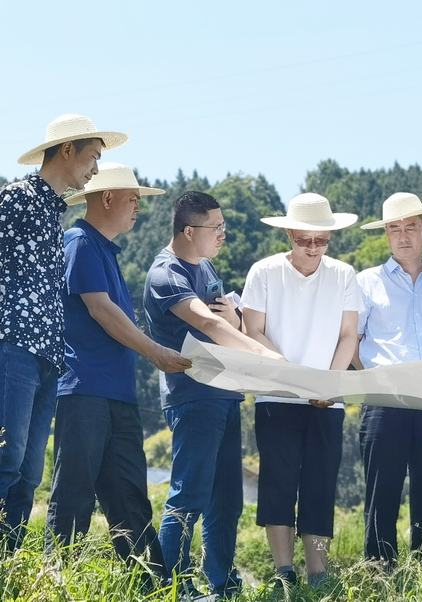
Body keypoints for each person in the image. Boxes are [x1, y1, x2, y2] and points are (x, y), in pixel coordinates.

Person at [45, 163, 190, 576]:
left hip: (117, 395)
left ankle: (151, 586)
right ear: (107, 198)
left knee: (129, 497)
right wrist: (155, 352)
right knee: (74, 493)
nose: (138, 207)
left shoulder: (104, 249)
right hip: (84, 390)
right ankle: (55, 582)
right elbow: (101, 309)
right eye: (133, 199)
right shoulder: (79, 242)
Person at [1, 114, 126, 551]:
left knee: (28, 472)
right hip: (13, 345)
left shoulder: (54, 215)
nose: (95, 169)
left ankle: (8, 566)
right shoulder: (16, 199)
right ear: (67, 150)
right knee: (7, 459)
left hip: (48, 358)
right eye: (93, 157)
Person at [144, 190, 272, 598]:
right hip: (193, 398)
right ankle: (173, 586)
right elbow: (211, 325)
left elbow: (228, 320)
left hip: (226, 395)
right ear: (188, 230)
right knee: (190, 495)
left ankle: (222, 584)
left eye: (223, 226)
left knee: (227, 501)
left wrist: (236, 319)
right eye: (215, 227)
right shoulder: (167, 275)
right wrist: (269, 358)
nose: (222, 234)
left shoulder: (207, 267)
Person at [241, 193, 361, 589]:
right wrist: (292, 376)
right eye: (303, 240)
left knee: (320, 486)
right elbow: (252, 332)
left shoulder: (344, 275)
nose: (312, 248)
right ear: (289, 234)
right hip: (276, 395)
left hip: (328, 400)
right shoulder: (263, 272)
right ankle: (284, 573)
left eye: (320, 240)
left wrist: (328, 382)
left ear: (330, 237)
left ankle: (319, 574)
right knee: (277, 483)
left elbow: (349, 335)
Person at [355, 192, 422, 567]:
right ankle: (379, 574)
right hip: (384, 400)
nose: (402, 236)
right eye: (394, 229)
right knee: (381, 492)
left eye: (410, 227)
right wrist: (372, 382)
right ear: (386, 234)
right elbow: (352, 341)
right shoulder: (366, 282)